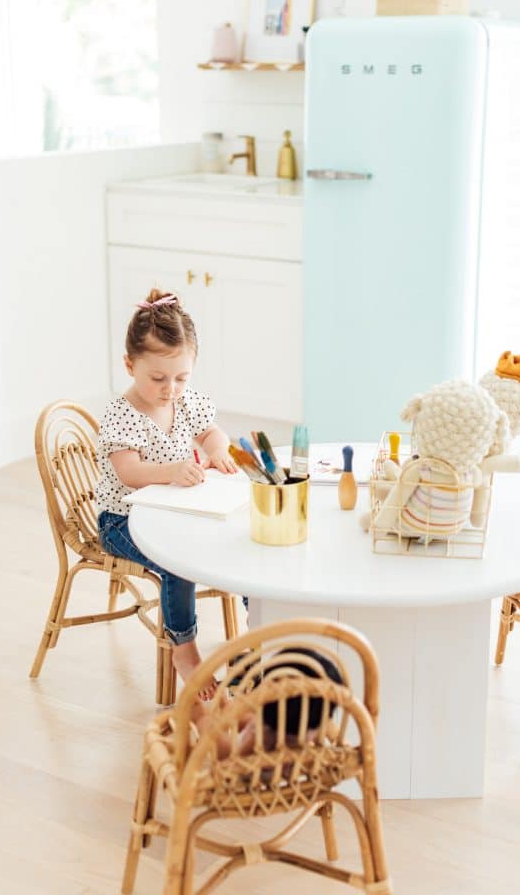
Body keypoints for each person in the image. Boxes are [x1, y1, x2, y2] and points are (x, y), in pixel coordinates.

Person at [96, 288, 237, 698]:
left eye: (181, 378)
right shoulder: (122, 413)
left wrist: (217, 449)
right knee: (179, 560)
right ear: (129, 365)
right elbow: (129, 472)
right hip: (121, 520)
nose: (170, 389)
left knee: (238, 536)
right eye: (158, 378)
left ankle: (259, 634)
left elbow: (212, 431)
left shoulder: (184, 400)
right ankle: (184, 647)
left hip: (170, 511)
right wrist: (173, 471)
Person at [190, 647, 344, 760]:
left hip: (253, 779)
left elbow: (226, 753)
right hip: (287, 746)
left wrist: (201, 719)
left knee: (215, 727)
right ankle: (227, 706)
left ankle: (214, 713)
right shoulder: (310, 730)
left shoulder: (261, 739)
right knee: (248, 717)